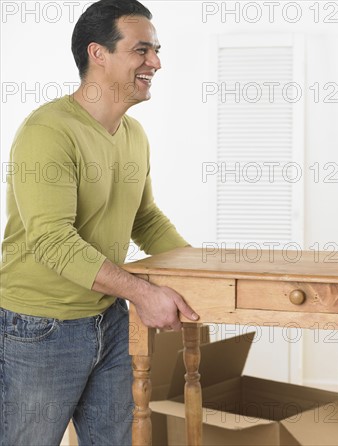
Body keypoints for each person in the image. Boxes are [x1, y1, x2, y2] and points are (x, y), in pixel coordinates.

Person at [0, 0, 199, 444]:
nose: (156, 63)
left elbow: (145, 219)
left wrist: (200, 271)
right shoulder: (48, 131)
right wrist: (143, 293)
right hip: (40, 327)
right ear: (98, 53)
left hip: (109, 319)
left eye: (157, 50)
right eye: (142, 50)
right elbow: (53, 240)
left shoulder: (134, 134)